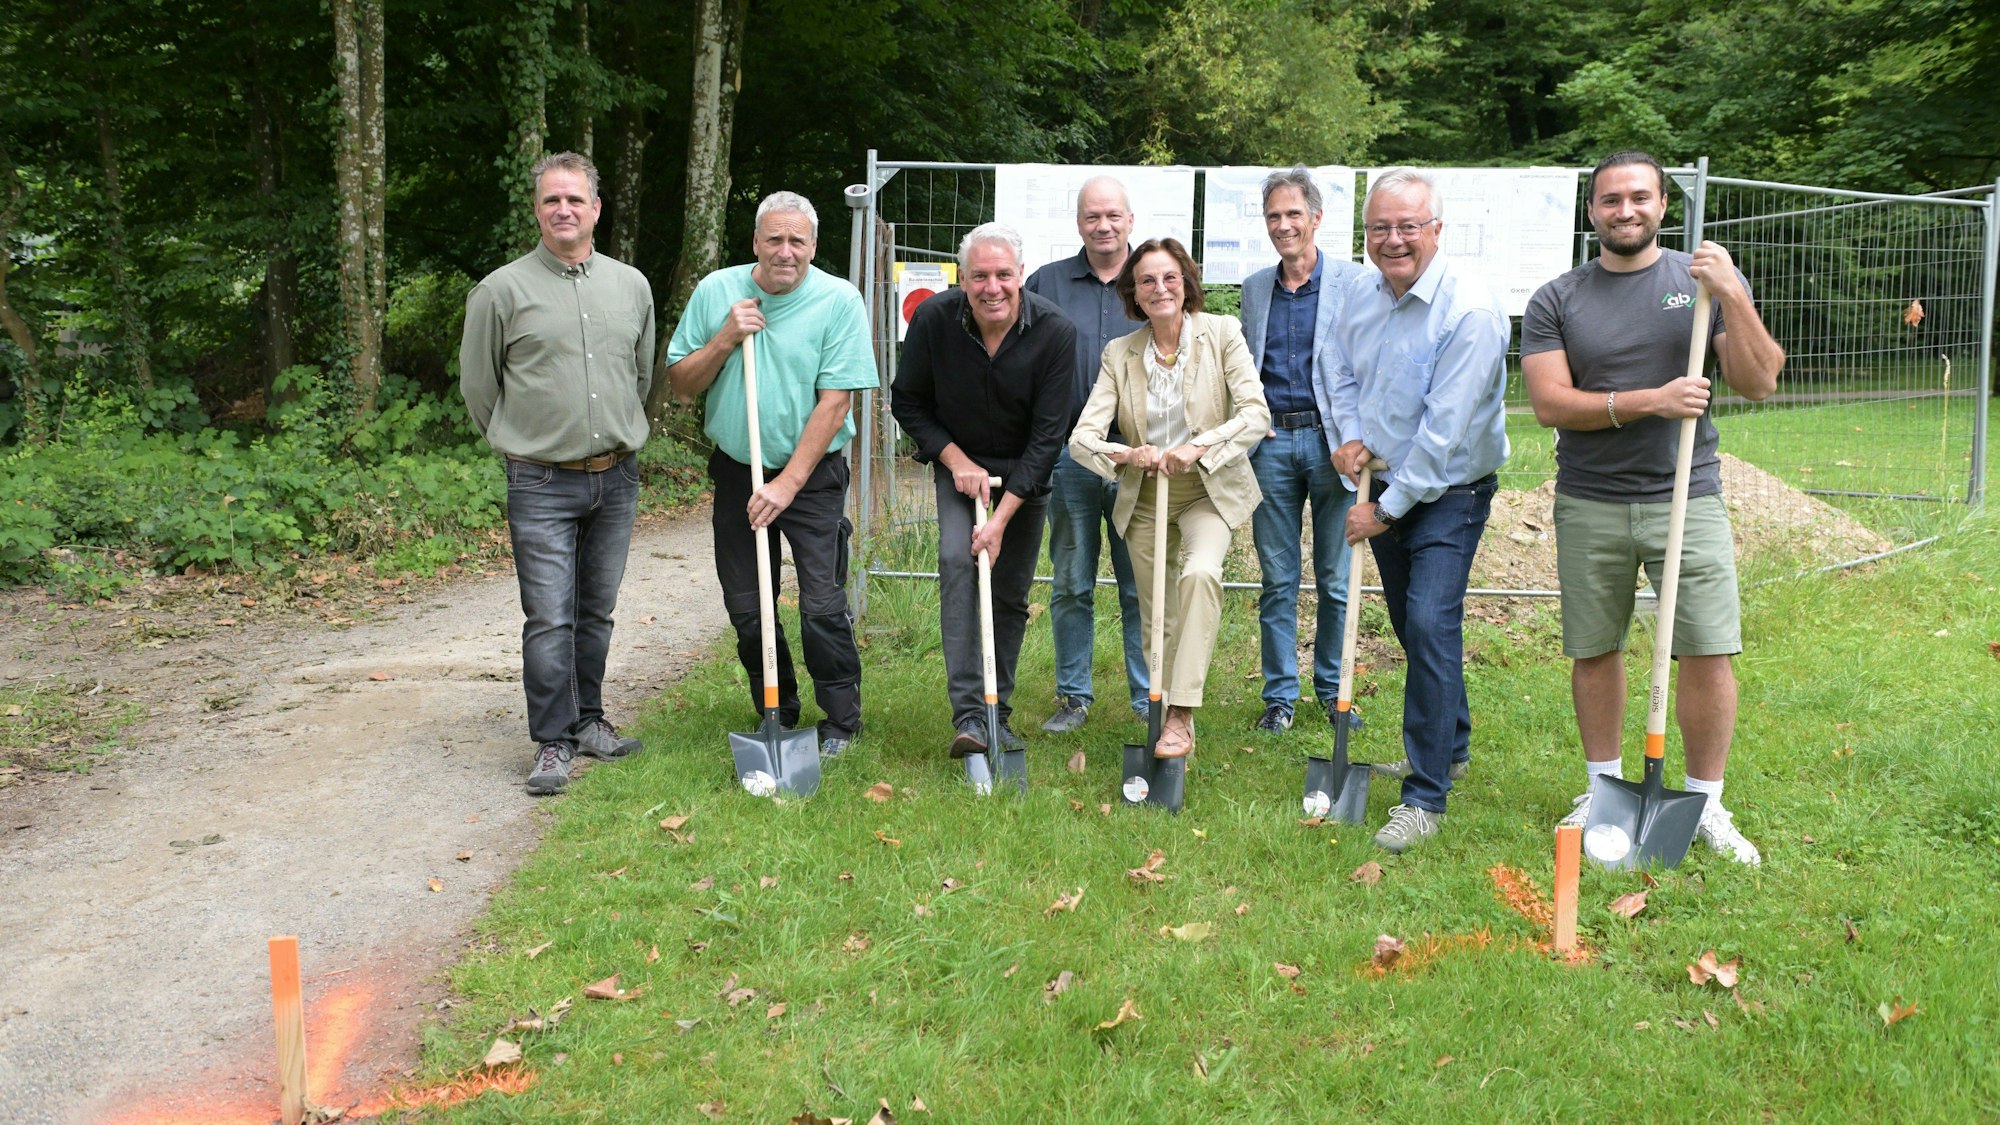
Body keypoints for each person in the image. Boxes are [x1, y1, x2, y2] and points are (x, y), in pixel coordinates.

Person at [1521, 150, 1784, 865]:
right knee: (1594, 647)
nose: (1625, 209)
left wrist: (1732, 293)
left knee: (1706, 647)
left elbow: (1759, 381)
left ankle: (1705, 800)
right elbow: (1550, 403)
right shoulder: (1557, 298)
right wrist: (1652, 401)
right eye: (1611, 199)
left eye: (1639, 196)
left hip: (1686, 495)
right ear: (1593, 213)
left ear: (1664, 205)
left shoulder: (1699, 286)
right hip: (1590, 499)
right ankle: (1603, 788)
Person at [1327, 168, 1510, 853]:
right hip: (1382, 481)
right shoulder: (1361, 297)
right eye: (1381, 227)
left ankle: (1425, 795)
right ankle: (1450, 743)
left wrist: (1384, 512)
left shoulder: (1470, 310)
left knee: (1430, 620)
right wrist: (1347, 436)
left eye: (1409, 226)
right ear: (1366, 233)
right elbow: (1340, 372)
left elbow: (1443, 435)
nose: (1394, 239)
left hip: (1450, 491)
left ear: (1437, 229)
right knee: (1412, 623)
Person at [460, 151, 653, 796]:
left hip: (617, 478)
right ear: (537, 211)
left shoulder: (631, 286)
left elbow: (643, 377)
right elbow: (480, 389)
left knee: (596, 611)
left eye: (575, 199)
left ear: (596, 209)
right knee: (549, 615)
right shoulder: (500, 291)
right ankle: (551, 742)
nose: (564, 210)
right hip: (540, 481)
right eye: (551, 200)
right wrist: (525, 442)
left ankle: (590, 719)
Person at [665, 191, 877, 760]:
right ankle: (776, 708)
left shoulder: (838, 300)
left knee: (821, 605)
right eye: (775, 239)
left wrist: (786, 486)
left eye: (797, 241)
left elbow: (836, 404)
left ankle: (840, 720)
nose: (786, 252)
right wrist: (725, 338)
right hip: (738, 471)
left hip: (812, 477)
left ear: (813, 246)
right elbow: (682, 384)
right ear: (756, 242)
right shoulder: (718, 292)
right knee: (747, 602)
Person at [1070, 238, 1269, 760]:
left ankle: (1181, 715)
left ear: (1186, 284)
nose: (1160, 288)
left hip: (1206, 487)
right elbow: (1081, 437)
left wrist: (1198, 446)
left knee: (1200, 575)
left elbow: (1255, 414)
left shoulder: (1223, 334)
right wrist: (1127, 455)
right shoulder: (1120, 353)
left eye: (1170, 278)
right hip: (1145, 494)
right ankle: (1160, 711)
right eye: (1147, 281)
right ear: (1134, 293)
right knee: (1158, 615)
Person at [891, 223, 1075, 757]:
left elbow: (1048, 437)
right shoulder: (933, 320)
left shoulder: (1055, 332)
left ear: (1021, 274)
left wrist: (999, 520)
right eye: (979, 276)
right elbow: (909, 402)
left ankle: (1000, 710)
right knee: (956, 563)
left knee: (1010, 590)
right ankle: (969, 714)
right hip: (960, 466)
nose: (991, 287)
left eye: (1002, 275)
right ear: (963, 279)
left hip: (1025, 474)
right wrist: (954, 460)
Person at [1242, 166, 1367, 733]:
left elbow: (1371, 364)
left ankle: (1333, 691)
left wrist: (1359, 435)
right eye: (1275, 215)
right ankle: (1280, 697)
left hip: (1333, 444)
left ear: (1316, 217)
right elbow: (1243, 367)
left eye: (1294, 213)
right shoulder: (1254, 289)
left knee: (1337, 579)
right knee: (1277, 579)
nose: (1284, 224)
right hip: (1270, 447)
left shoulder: (1355, 283)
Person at [1025, 176, 1149, 732]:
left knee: (1139, 583)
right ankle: (1074, 696)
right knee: (1072, 580)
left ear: (1130, 221)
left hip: (1138, 457)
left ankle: (1150, 696)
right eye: (1092, 216)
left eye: (1113, 216)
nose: (1103, 225)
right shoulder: (1044, 285)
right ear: (1079, 223)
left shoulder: (1153, 282)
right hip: (1070, 454)